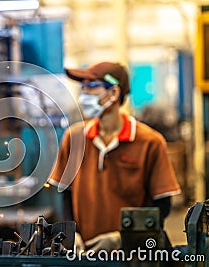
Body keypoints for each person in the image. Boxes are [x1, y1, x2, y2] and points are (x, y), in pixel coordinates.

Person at [49, 62, 181, 252]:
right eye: (83, 87)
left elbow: (162, 206)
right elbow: (65, 194)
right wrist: (70, 233)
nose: (84, 94)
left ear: (113, 94)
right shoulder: (74, 139)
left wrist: (124, 237)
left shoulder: (150, 142)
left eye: (92, 87)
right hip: (84, 252)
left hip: (134, 254)